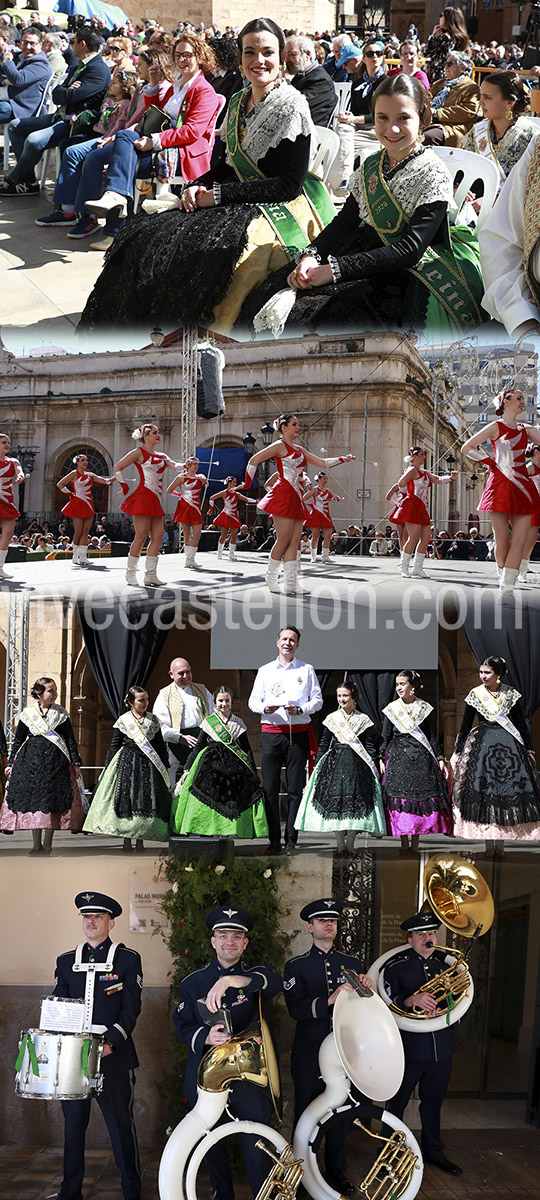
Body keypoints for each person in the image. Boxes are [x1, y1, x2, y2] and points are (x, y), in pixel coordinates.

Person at [79, 18, 334, 332]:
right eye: (250, 52)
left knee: (216, 256)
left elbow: (288, 185)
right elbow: (227, 164)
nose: (259, 61)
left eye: (267, 52)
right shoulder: (239, 101)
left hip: (278, 204)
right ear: (240, 58)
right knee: (146, 232)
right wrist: (197, 183)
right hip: (237, 192)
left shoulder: (293, 107)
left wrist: (217, 195)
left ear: (281, 58)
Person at [243, 74, 484, 338]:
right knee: (273, 292)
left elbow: (410, 250)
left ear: (423, 119)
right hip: (362, 250)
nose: (392, 129)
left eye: (403, 118)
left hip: (405, 270)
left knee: (327, 322)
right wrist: (312, 255)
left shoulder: (433, 174)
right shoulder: (373, 163)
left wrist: (334, 271)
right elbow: (345, 221)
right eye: (382, 118)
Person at [173, 905, 282, 1200]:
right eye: (223, 936)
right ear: (213, 941)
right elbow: (181, 1025)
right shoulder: (192, 981)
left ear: (245, 943)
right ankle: (222, 1195)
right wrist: (205, 1035)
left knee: (257, 1146)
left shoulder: (254, 976)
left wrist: (231, 980)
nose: (229, 942)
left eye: (236, 937)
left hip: (249, 1082)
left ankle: (263, 1195)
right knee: (211, 1147)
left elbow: (275, 983)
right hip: (207, 1081)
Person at [53, 891, 142, 1200]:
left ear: (111, 922)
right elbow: (60, 1006)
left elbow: (130, 1009)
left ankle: (132, 1189)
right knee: (73, 1127)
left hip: (113, 1057)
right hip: (74, 1059)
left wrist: (111, 1043)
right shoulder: (65, 962)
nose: (91, 922)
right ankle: (70, 1191)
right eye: (86, 917)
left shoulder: (128, 959)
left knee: (120, 1126)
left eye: (98, 917)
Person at [283, 897, 374, 1195]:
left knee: (341, 1111)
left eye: (333, 920)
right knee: (305, 1111)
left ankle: (336, 1169)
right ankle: (301, 1170)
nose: (329, 924)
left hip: (343, 1051)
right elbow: (295, 1009)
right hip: (309, 1051)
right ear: (310, 928)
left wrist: (366, 990)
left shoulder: (353, 965)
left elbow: (365, 1010)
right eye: (322, 920)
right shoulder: (296, 966)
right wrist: (329, 1001)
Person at [84, 34, 221, 226]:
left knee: (127, 158)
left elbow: (192, 131)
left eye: (188, 55)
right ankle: (105, 206)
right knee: (99, 155)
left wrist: (153, 141)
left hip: (183, 153)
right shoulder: (178, 86)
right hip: (162, 143)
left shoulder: (204, 91)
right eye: (178, 55)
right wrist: (154, 85)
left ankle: (115, 218)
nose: (181, 60)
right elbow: (157, 113)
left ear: (199, 57)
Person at [383, 911, 461, 1177]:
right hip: (409, 1048)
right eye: (420, 934)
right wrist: (412, 1001)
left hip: (441, 1047)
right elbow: (388, 1002)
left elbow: (457, 1004)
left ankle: (434, 1152)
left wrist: (444, 1009)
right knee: (397, 1103)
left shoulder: (447, 968)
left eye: (431, 933)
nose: (427, 938)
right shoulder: (396, 967)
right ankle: (389, 1155)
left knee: (433, 1103)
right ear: (410, 939)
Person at [243, 413, 354, 593]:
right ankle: (271, 578)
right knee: (284, 539)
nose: (298, 427)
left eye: (298, 424)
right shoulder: (279, 445)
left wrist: (342, 459)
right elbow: (253, 460)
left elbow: (322, 462)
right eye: (294, 424)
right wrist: (247, 484)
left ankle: (291, 584)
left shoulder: (300, 449)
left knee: (294, 542)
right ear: (283, 427)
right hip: (282, 495)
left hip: (295, 496)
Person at [0, 23, 111, 196]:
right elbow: (58, 93)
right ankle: (28, 180)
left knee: (34, 140)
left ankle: (14, 179)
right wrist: (67, 91)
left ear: (82, 45)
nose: (69, 45)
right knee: (15, 126)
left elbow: (70, 96)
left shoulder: (98, 69)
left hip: (76, 122)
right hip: (60, 115)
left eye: (73, 41)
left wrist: (66, 92)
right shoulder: (80, 64)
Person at [450, 656, 540, 852]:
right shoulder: (475, 694)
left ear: (498, 674)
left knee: (505, 793)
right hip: (482, 747)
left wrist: (530, 748)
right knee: (484, 793)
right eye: (481, 672)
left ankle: (500, 845)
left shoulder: (511, 695)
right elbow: (465, 725)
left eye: (487, 672)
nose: (483, 676)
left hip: (509, 748)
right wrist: (457, 750)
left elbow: (521, 723)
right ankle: (488, 844)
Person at [248, 625, 323, 853]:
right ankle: (273, 840)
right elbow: (253, 701)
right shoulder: (265, 670)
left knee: (294, 789)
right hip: (271, 734)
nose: (287, 643)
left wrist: (300, 710)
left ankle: (291, 839)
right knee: (270, 789)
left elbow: (317, 701)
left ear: (297, 645)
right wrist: (265, 707)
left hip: (297, 736)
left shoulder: (306, 670)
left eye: (292, 640)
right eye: (284, 639)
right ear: (277, 642)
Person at [461, 388, 540, 596]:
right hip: (499, 486)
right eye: (519, 398)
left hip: (523, 487)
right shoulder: (495, 426)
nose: (523, 402)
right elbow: (466, 448)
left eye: (524, 399)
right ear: (506, 401)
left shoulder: (526, 429)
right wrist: (489, 462)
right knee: (502, 540)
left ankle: (507, 590)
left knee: (520, 540)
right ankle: (503, 576)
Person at [295, 680, 385, 851]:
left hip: (358, 768)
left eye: (345, 695)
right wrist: (317, 769)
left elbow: (369, 746)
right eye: (339, 696)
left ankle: (351, 841)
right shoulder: (332, 719)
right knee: (336, 807)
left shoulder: (363, 719)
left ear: (354, 697)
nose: (342, 699)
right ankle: (339, 843)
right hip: (334, 767)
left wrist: (374, 765)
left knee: (354, 806)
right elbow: (323, 745)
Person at [171, 685, 267, 838]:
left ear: (231, 702)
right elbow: (198, 747)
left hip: (235, 765)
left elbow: (247, 749)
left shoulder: (238, 723)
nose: (224, 704)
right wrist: (187, 769)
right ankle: (208, 830)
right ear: (215, 702)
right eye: (220, 701)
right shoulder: (209, 722)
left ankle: (228, 831)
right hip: (210, 763)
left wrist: (254, 771)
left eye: (227, 700)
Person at [0, 676, 83, 854]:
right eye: (50, 690)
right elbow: (19, 739)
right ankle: (35, 844)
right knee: (35, 804)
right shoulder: (28, 714)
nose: (54, 694)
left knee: (52, 802)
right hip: (31, 763)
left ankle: (48, 844)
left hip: (55, 764)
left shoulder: (61, 714)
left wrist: (75, 763)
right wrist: (12, 761)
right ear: (39, 694)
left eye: (55, 690)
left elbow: (70, 740)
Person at [83, 686, 170, 851]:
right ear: (131, 702)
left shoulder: (153, 720)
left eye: (146, 699)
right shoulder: (124, 720)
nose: (145, 703)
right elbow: (114, 745)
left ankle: (141, 839)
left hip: (148, 766)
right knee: (126, 800)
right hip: (127, 764)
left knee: (145, 800)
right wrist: (107, 767)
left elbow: (159, 746)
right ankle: (126, 840)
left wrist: (165, 765)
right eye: (141, 700)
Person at [380, 670, 452, 850]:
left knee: (419, 801)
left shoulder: (424, 708)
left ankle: (415, 843)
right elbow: (385, 736)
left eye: (402, 684)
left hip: (421, 758)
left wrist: (440, 757)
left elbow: (432, 736)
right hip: (398, 758)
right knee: (401, 800)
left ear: (413, 686)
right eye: (397, 684)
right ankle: (403, 842)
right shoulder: (392, 708)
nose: (399, 688)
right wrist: (381, 757)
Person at [478, 133, 540, 339]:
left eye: (488, 97)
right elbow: (502, 242)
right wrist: (523, 322)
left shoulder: (523, 133)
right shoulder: (537, 148)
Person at [114, 422, 181, 587]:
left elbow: (174, 466)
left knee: (158, 536)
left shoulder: (162, 456)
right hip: (144, 497)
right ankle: (130, 573)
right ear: (145, 436)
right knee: (141, 535)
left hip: (155, 500)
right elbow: (118, 467)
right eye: (155, 433)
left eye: (158, 432)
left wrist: (186, 465)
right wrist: (124, 486)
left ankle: (150, 575)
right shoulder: (138, 452)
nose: (158, 435)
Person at [462, 71, 536, 204]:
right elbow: (465, 167)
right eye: (481, 96)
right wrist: (460, 189)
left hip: (510, 208)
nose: (481, 102)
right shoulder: (478, 131)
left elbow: (530, 184)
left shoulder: (530, 135)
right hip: (473, 204)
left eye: (488, 98)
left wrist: (493, 200)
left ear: (509, 103)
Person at [392, 446, 457, 578]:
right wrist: (404, 492)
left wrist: (451, 478)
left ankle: (417, 567)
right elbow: (401, 483)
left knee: (426, 538)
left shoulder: (425, 472)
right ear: (414, 456)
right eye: (422, 454)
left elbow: (438, 480)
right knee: (414, 537)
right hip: (412, 505)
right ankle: (404, 566)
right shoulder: (411, 470)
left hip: (422, 506)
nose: (424, 457)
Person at [152, 657, 214, 781]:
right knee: (178, 781)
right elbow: (159, 725)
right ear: (171, 674)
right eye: (181, 673)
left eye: (188, 672)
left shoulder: (202, 690)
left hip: (202, 742)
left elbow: (213, 714)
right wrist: (179, 737)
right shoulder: (164, 694)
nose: (186, 676)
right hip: (178, 746)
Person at [57, 453, 113, 568]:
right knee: (78, 531)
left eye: (86, 460)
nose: (85, 462)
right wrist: (70, 494)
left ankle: (83, 557)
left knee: (86, 531)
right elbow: (60, 484)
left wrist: (110, 480)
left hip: (89, 504)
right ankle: (75, 556)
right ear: (77, 462)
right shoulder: (74, 473)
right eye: (83, 460)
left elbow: (102, 480)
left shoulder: (90, 474)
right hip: (78, 503)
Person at [422, 52, 480, 147]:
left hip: (452, 126)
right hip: (430, 120)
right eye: (445, 64)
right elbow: (425, 100)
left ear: (462, 68)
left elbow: (468, 111)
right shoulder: (438, 84)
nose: (446, 67)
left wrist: (437, 112)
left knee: (427, 137)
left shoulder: (471, 87)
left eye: (450, 64)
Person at [0, 26, 51, 126]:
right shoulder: (17, 56)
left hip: (20, 107)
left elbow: (18, 80)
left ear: (40, 44)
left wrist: (7, 61)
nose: (28, 47)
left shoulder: (42, 64)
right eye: (25, 42)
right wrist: (5, 80)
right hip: (6, 98)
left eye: (32, 43)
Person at [284, 35, 337, 127]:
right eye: (286, 55)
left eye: (292, 54)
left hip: (310, 133)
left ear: (307, 55)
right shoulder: (299, 74)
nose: (286, 60)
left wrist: (286, 82)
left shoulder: (321, 80)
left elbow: (293, 105)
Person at [166, 456, 207, 569]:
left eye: (198, 464)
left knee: (197, 532)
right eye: (195, 464)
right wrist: (179, 495)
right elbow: (169, 490)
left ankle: (190, 558)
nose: (197, 466)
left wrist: (203, 478)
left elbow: (204, 480)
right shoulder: (181, 477)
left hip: (196, 507)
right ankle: (189, 560)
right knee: (187, 533)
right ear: (188, 465)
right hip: (184, 506)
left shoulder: (200, 478)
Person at [207, 476, 258, 560]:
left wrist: (256, 501)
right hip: (225, 515)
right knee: (223, 535)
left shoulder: (237, 494)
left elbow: (246, 499)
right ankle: (219, 552)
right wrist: (211, 508)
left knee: (234, 536)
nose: (235, 484)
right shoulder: (224, 492)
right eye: (234, 482)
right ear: (229, 483)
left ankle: (231, 553)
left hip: (234, 516)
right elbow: (212, 498)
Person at [303, 470, 342, 563]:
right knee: (315, 536)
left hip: (326, 515)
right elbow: (304, 498)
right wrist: (312, 506)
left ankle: (325, 556)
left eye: (327, 479)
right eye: (324, 478)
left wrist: (336, 498)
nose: (326, 480)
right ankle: (313, 556)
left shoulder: (328, 490)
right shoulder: (315, 490)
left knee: (328, 536)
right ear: (319, 479)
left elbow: (336, 496)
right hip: (316, 514)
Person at [424, 6, 470, 84]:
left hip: (440, 76)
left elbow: (427, 53)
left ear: (448, 19)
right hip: (455, 74)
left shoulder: (446, 37)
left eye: (441, 16)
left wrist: (433, 36)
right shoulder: (459, 37)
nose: (439, 18)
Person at [0, 432, 25, 579]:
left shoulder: (13, 461)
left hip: (7, 500)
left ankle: (0, 567)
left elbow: (19, 470)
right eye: (4, 442)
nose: (7, 445)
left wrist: (20, 476)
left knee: (8, 533)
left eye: (8, 442)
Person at [519, 444, 540, 581]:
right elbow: (518, 482)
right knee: (530, 539)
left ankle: (522, 568)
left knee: (531, 540)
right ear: (537, 451)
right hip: (532, 505)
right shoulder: (530, 467)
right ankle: (522, 570)